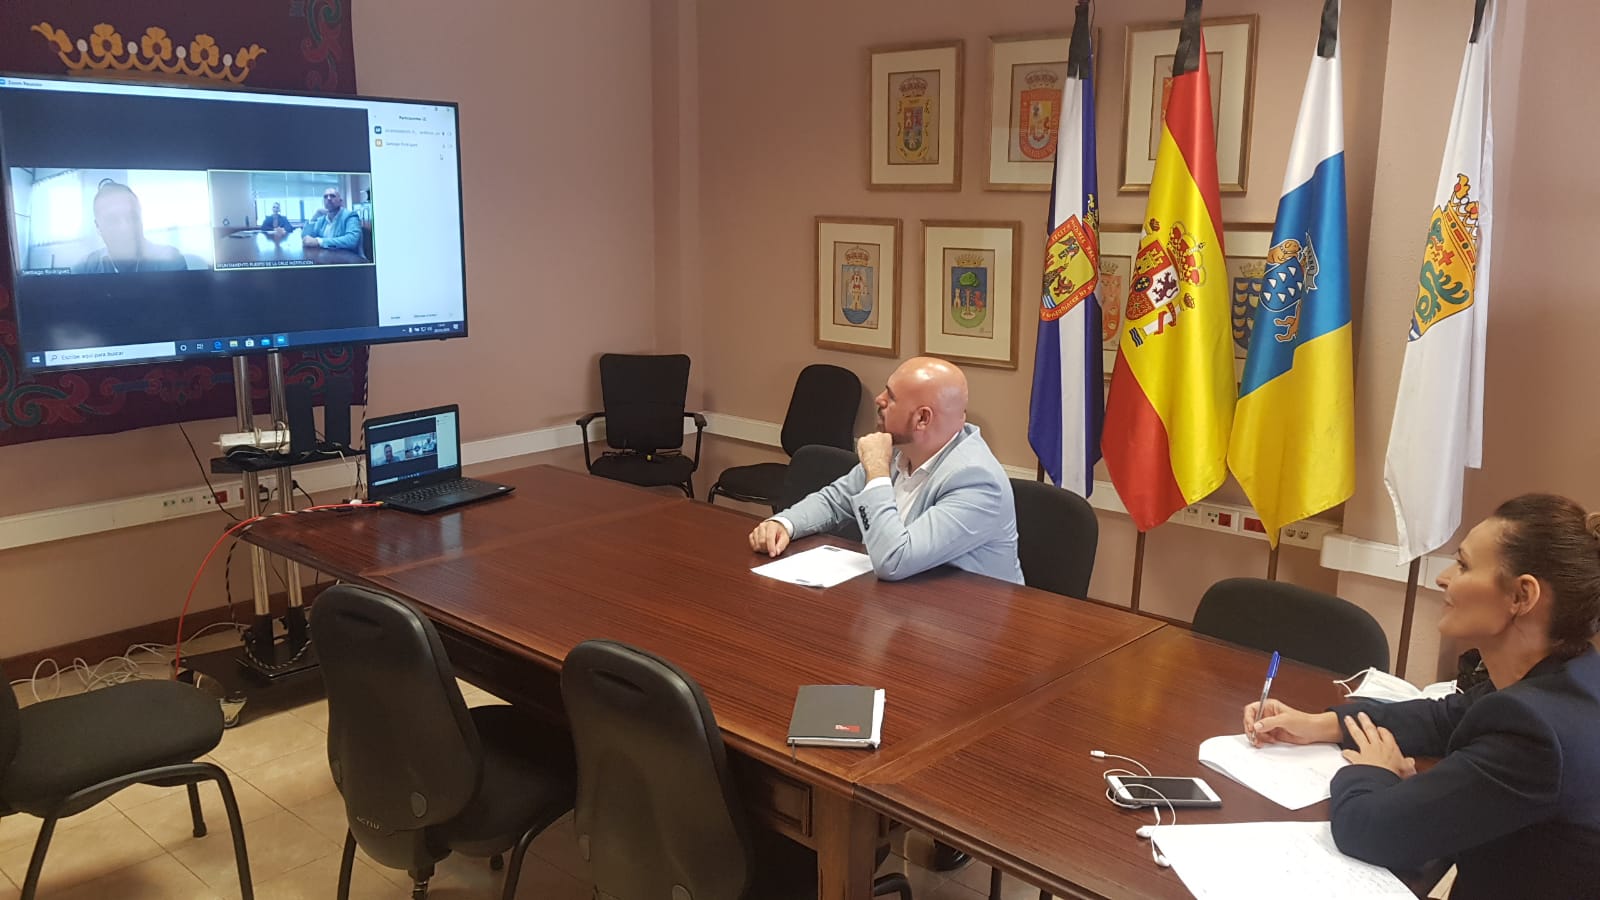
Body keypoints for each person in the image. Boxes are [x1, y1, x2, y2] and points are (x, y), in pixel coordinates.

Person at [1242, 494, 1600, 900]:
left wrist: (1376, 771)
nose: (1443, 578)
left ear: (1521, 596)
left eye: (1463, 565)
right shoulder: (1568, 676)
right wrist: (1321, 724)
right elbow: (1444, 718)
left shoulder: (1537, 735)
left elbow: (1370, 830)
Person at [748, 356, 1023, 585]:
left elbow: (894, 560)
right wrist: (783, 524)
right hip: (905, 605)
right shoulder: (902, 450)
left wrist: (877, 471)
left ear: (922, 418)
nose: (878, 400)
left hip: (967, 623)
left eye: (890, 397)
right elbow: (835, 501)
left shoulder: (976, 480)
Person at [72, 179, 187, 273]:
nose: (126, 228)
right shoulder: (84, 268)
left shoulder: (170, 260)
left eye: (133, 216)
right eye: (113, 220)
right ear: (98, 227)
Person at [301, 187, 364, 255]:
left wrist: (319, 242)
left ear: (340, 201)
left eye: (332, 196)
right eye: (325, 197)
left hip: (350, 258)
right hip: (327, 257)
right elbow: (306, 238)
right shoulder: (322, 219)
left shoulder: (350, 216)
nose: (328, 198)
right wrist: (314, 219)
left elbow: (351, 240)